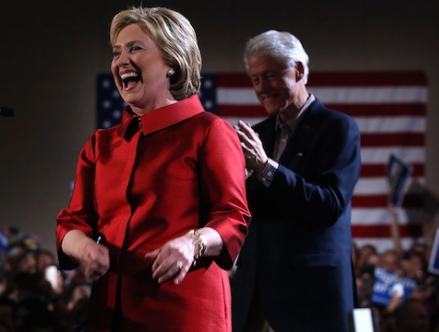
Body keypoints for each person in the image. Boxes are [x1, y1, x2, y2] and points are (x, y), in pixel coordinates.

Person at [55, 6, 251, 332]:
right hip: (108, 313)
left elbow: (233, 216)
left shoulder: (208, 131)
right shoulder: (100, 144)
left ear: (172, 62)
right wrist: (84, 247)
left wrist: (192, 243)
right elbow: (72, 222)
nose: (121, 61)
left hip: (183, 311)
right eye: (117, 52)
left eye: (135, 48)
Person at [232, 30, 362, 332]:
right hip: (254, 294)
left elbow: (330, 204)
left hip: (311, 297)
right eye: (255, 79)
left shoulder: (337, 128)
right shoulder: (258, 135)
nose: (262, 88)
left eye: (271, 76)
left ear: (299, 71)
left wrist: (265, 168)